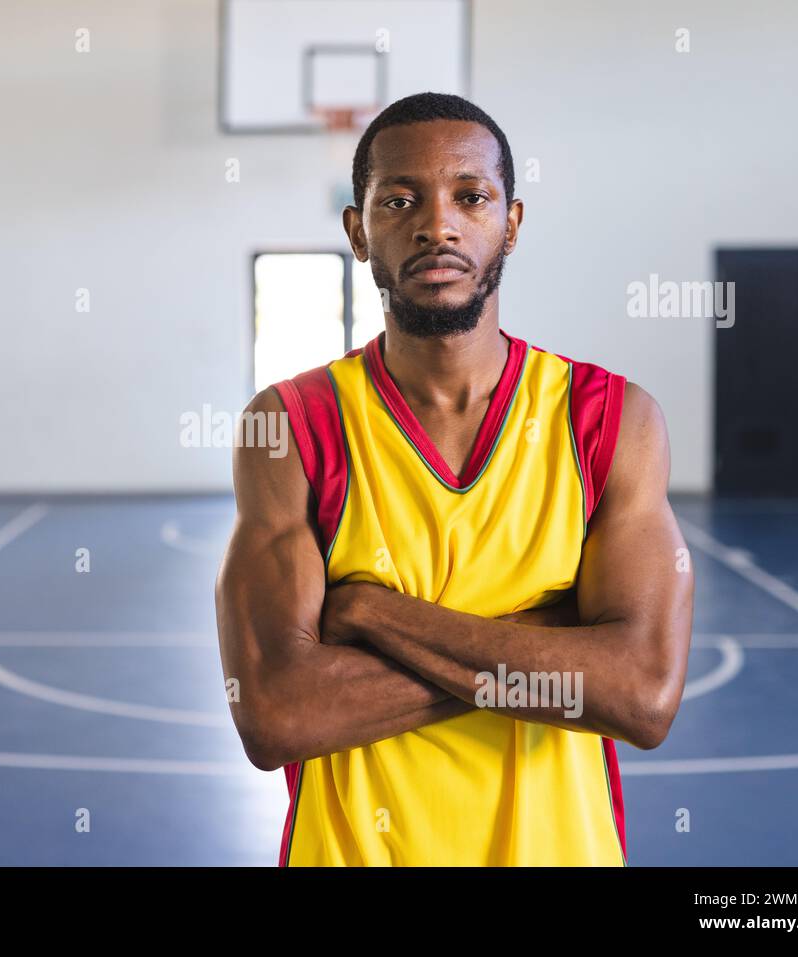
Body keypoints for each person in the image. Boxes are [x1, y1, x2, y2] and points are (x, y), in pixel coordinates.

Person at [215, 92, 695, 866]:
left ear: (511, 222)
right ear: (357, 232)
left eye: (470, 197)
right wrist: (556, 646)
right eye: (399, 200)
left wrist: (371, 612)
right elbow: (276, 715)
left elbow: (640, 695)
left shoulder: (610, 420)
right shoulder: (290, 427)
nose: (436, 225)